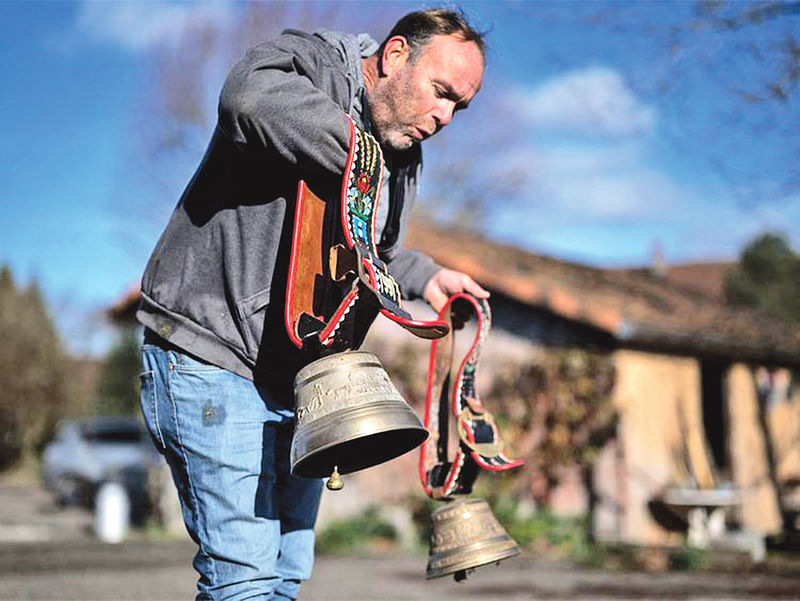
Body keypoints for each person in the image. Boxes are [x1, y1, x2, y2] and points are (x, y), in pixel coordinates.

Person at [137, 8, 489, 601]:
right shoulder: (314, 64)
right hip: (211, 351)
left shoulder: (401, 152)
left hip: (299, 382)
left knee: (283, 577)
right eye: (442, 93)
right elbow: (246, 95)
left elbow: (371, 250)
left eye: (460, 107)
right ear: (396, 54)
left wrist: (428, 277)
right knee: (243, 580)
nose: (445, 117)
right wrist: (360, 154)